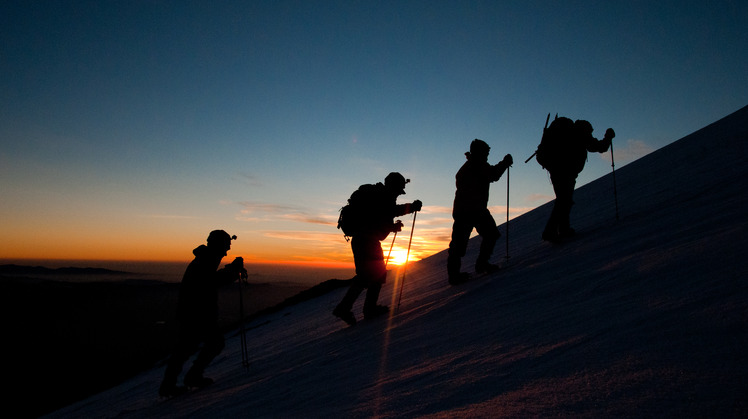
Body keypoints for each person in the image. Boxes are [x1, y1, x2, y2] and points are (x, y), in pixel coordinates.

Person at [159, 230, 248, 397]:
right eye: (226, 246)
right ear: (219, 244)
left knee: (190, 346)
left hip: (194, 311)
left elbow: (211, 280)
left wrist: (232, 270)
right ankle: (184, 379)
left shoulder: (206, 258)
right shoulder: (206, 260)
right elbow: (211, 282)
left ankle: (178, 381)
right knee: (201, 345)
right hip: (196, 313)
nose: (227, 250)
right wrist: (233, 270)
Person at [333, 172, 422, 326]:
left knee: (371, 275)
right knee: (371, 275)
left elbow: (380, 218)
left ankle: (356, 308)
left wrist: (393, 225)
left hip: (363, 240)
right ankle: (362, 309)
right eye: (399, 189)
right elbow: (388, 214)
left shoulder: (379, 195)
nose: (399, 193)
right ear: (393, 186)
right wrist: (410, 208)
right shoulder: (383, 197)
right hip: (367, 241)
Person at [447, 139, 513, 285]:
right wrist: (504, 163)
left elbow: (490, 174)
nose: (488, 154)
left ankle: (458, 274)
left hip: (468, 210)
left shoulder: (472, 165)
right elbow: (493, 174)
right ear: (480, 152)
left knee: (462, 244)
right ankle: (477, 266)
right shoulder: (476, 165)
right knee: (485, 236)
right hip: (472, 210)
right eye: (486, 152)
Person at [539, 118, 615, 242]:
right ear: (586, 129)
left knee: (563, 200)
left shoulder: (567, 132)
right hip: (566, 172)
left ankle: (563, 229)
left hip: (555, 169)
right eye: (590, 132)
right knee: (564, 200)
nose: (590, 134)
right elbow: (599, 147)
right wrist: (608, 137)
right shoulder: (581, 134)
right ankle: (550, 231)